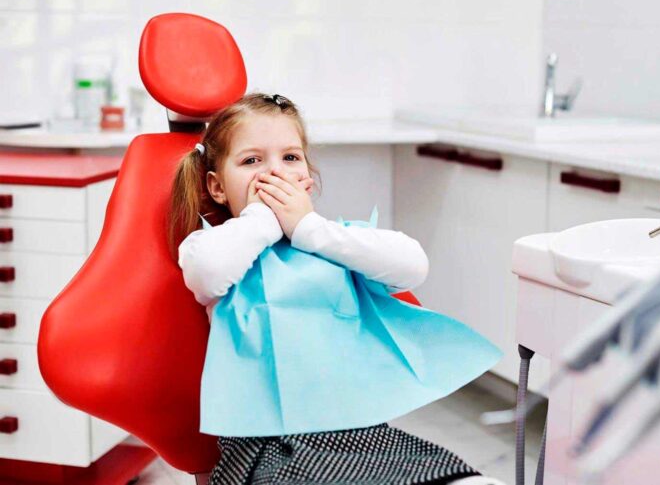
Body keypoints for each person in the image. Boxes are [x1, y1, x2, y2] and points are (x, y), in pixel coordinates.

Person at [168, 92, 505, 485]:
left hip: (363, 435)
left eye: (290, 158)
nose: (274, 174)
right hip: (268, 444)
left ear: (308, 177)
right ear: (218, 187)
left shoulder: (333, 241)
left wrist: (309, 228)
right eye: (251, 161)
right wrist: (262, 217)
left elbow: (413, 265)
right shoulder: (213, 245)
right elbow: (208, 271)